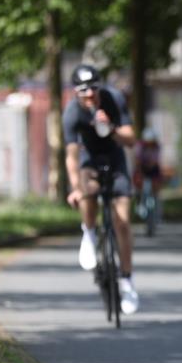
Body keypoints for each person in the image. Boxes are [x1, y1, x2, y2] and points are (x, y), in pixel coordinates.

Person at [63, 64, 139, 315]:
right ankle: (89, 233)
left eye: (93, 89)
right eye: (83, 91)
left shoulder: (113, 99)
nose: (89, 95)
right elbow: (72, 156)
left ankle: (126, 280)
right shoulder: (72, 113)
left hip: (115, 159)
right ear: (76, 92)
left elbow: (130, 138)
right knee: (87, 189)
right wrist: (75, 188)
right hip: (90, 160)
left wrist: (112, 128)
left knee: (123, 223)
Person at [133, 127, 164, 212]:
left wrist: (152, 164)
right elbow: (137, 159)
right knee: (139, 185)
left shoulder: (157, 147)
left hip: (153, 169)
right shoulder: (140, 146)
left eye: (152, 142)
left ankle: (157, 209)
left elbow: (156, 160)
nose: (150, 144)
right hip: (142, 168)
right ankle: (139, 203)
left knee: (156, 188)